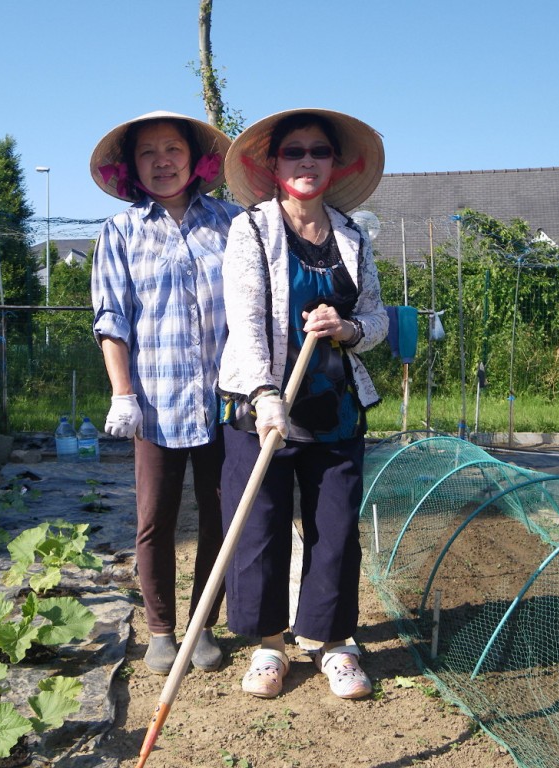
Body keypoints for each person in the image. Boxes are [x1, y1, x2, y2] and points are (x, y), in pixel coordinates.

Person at [217, 108, 388, 699]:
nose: (307, 161)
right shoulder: (252, 230)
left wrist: (347, 329)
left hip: (333, 406)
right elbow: (245, 322)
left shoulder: (351, 235)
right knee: (259, 527)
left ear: (335, 164)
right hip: (259, 406)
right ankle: (269, 645)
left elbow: (378, 319)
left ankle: (334, 642)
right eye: (295, 152)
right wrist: (266, 395)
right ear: (274, 164)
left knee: (336, 526)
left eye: (319, 151)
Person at [89, 111, 241, 675]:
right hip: (155, 406)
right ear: (132, 166)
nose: (161, 161)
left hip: (225, 404)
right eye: (148, 152)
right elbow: (112, 319)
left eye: (172, 149)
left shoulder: (231, 223)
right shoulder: (120, 232)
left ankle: (202, 624)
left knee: (219, 519)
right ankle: (160, 630)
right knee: (154, 519)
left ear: (194, 158)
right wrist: (121, 393)